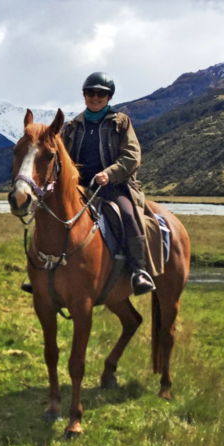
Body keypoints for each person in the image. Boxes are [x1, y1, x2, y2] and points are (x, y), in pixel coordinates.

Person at [61, 71, 156, 295]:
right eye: (90, 93)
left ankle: (138, 270)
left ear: (109, 97)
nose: (95, 97)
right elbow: (63, 157)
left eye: (101, 94)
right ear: (84, 96)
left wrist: (109, 174)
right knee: (50, 212)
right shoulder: (72, 126)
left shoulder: (120, 122)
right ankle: (43, 269)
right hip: (79, 186)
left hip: (114, 185)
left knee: (128, 214)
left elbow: (132, 156)